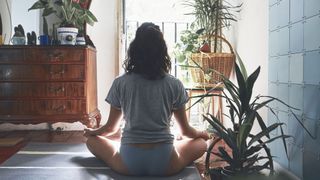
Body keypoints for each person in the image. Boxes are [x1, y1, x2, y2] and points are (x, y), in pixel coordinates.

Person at [84, 22, 209, 176]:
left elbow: (111, 129)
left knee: (91, 141)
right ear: (162, 51)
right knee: (202, 143)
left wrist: (93, 132)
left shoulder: (120, 82)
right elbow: (186, 132)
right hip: (165, 163)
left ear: (135, 50)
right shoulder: (174, 84)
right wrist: (201, 133)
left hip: (128, 163)